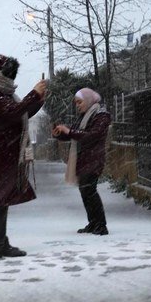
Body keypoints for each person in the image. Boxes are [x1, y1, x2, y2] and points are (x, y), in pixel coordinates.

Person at [0, 53, 47, 257]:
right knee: (0, 197)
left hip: (4, 150)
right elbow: (12, 113)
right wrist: (33, 94)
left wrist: (39, 100)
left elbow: (20, 113)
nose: (10, 79)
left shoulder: (1, 92)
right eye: (7, 74)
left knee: (2, 198)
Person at [52, 88, 111, 235]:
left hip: (94, 158)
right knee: (85, 191)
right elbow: (75, 135)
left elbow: (91, 135)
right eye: (76, 103)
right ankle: (93, 222)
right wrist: (60, 134)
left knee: (90, 191)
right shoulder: (84, 116)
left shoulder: (100, 115)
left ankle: (101, 225)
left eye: (80, 102)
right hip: (84, 159)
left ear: (89, 100)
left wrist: (69, 131)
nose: (77, 105)